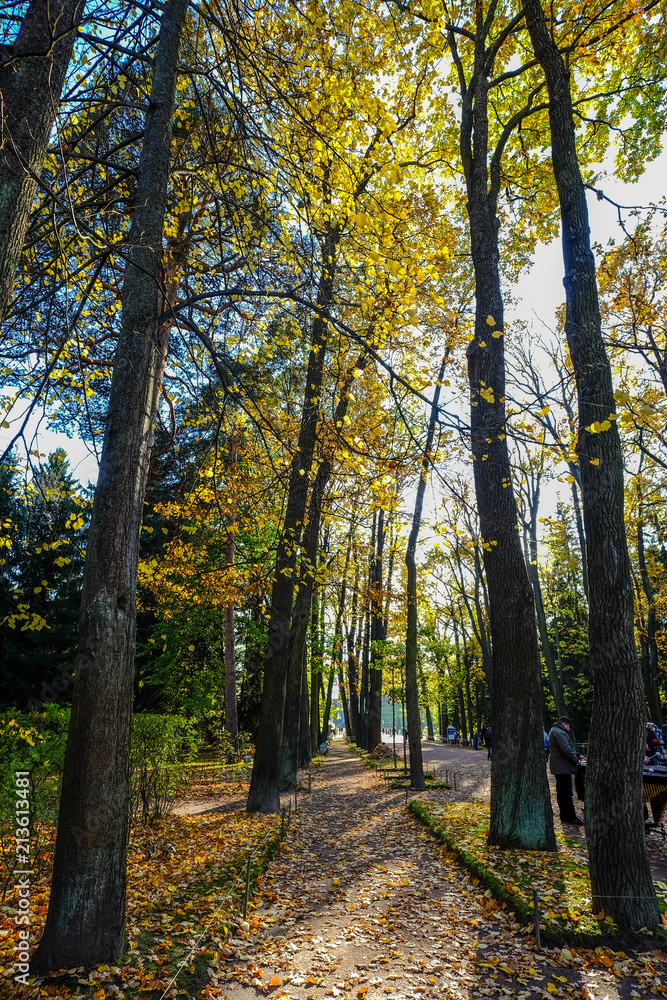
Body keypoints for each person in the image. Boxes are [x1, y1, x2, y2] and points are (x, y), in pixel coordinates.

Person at [548, 716, 584, 825]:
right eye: (569, 726)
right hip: (562, 767)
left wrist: (578, 755)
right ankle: (571, 816)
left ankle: (564, 815)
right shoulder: (559, 733)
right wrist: (576, 760)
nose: (569, 729)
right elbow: (566, 749)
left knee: (562, 792)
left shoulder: (555, 731)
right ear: (565, 724)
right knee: (566, 793)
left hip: (560, 766)